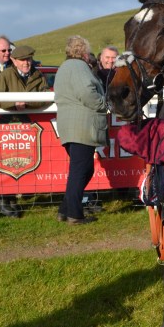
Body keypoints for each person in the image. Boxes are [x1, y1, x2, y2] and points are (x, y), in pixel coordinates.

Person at [0, 44, 50, 217]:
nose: (26, 63)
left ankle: (13, 199)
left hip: (29, 128)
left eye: (28, 59)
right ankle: (4, 201)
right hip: (8, 127)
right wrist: (13, 104)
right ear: (14, 61)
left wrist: (28, 103)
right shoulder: (6, 75)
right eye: (22, 60)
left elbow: (46, 98)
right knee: (6, 163)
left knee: (23, 163)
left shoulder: (38, 75)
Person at [54, 36, 108, 225]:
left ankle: (65, 210)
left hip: (69, 125)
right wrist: (103, 104)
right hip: (82, 125)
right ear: (84, 52)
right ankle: (75, 214)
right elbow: (87, 92)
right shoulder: (79, 67)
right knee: (81, 170)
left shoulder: (64, 67)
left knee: (84, 169)